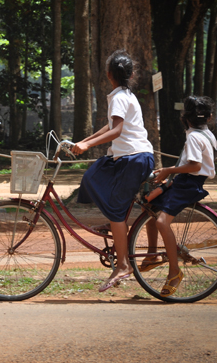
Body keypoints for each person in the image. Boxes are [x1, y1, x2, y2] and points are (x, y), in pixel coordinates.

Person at [71, 49, 154, 292]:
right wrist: (83, 141)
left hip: (133, 158)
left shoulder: (119, 97)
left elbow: (116, 131)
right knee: (93, 175)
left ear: (109, 75)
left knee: (117, 212)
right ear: (129, 74)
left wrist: (87, 145)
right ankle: (114, 222)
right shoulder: (125, 95)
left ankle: (123, 265)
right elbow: (109, 126)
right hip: (130, 157)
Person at [140, 95, 217, 297]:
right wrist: (170, 173)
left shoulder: (193, 137)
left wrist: (167, 171)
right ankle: (151, 255)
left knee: (162, 222)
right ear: (208, 118)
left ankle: (174, 272)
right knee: (149, 209)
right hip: (185, 182)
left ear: (185, 117)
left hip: (188, 185)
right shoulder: (207, 134)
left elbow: (195, 166)